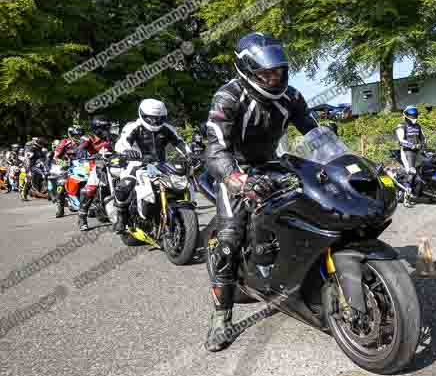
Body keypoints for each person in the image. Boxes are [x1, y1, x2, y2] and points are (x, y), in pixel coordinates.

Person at [204, 32, 318, 352]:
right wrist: (237, 180)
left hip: (272, 164)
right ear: (246, 70)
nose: (273, 78)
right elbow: (214, 150)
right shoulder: (228, 97)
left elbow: (315, 131)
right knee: (228, 241)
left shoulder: (291, 96)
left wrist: (342, 159)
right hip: (234, 170)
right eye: (265, 73)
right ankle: (220, 319)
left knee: (314, 203)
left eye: (278, 71)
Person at [112, 99, 189, 234]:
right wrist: (127, 151)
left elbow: (180, 143)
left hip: (161, 164)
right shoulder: (133, 126)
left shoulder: (167, 128)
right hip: (136, 163)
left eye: (159, 118)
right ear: (142, 114)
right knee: (124, 186)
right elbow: (121, 143)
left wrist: (190, 154)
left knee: (180, 183)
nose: (155, 122)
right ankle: (121, 216)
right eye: (151, 118)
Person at [74, 116, 114, 230]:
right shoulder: (88, 138)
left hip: (115, 164)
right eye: (104, 128)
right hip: (97, 165)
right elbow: (80, 149)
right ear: (96, 129)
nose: (107, 130)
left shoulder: (113, 137)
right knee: (90, 188)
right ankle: (82, 217)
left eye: (108, 128)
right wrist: (83, 154)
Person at [395, 105, 425, 204]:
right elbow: (401, 140)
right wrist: (411, 145)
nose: (413, 116)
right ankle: (406, 198)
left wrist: (422, 144)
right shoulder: (401, 126)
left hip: (417, 152)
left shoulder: (418, 126)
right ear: (406, 115)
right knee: (411, 172)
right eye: (411, 115)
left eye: (415, 115)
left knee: (422, 169)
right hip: (407, 152)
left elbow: (423, 138)